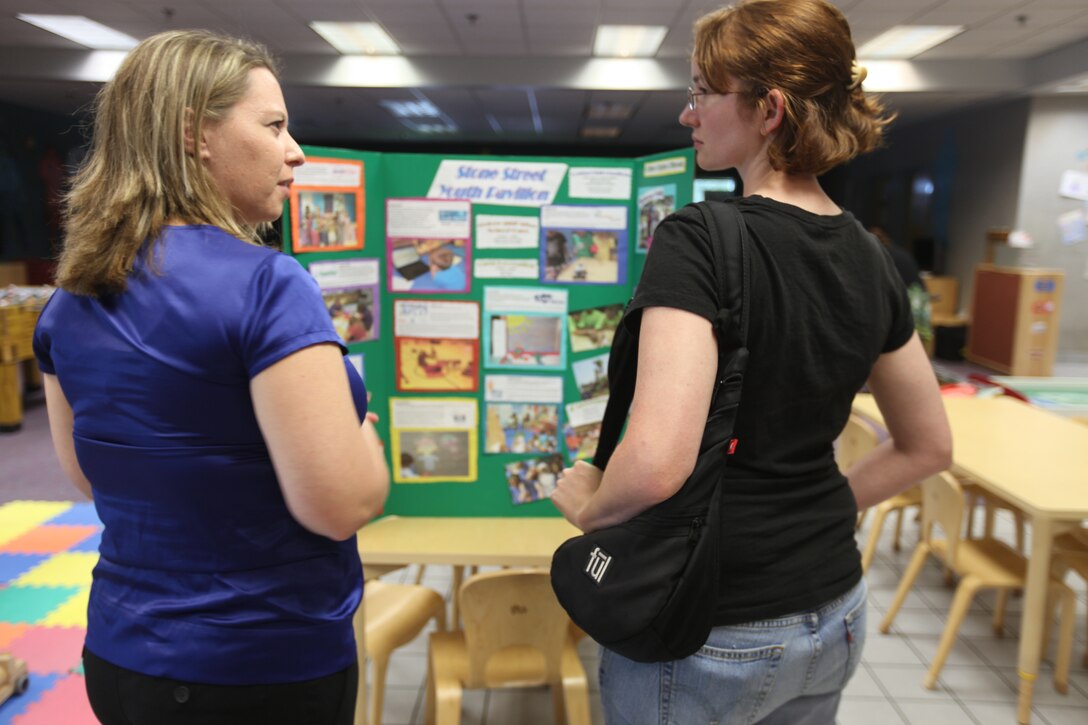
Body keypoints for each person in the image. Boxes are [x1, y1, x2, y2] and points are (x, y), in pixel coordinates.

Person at [551, 2, 952, 723]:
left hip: (715, 623)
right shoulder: (871, 255)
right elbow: (928, 444)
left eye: (702, 91)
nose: (687, 114)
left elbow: (657, 463)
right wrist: (824, 508)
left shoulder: (700, 239)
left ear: (769, 109)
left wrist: (591, 508)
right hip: (835, 609)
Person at [32, 30, 389, 725]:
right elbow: (341, 504)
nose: (297, 151)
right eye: (275, 125)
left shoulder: (71, 294)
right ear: (196, 135)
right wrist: (360, 438)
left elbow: (89, 471)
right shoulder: (267, 285)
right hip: (260, 667)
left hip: (121, 657)